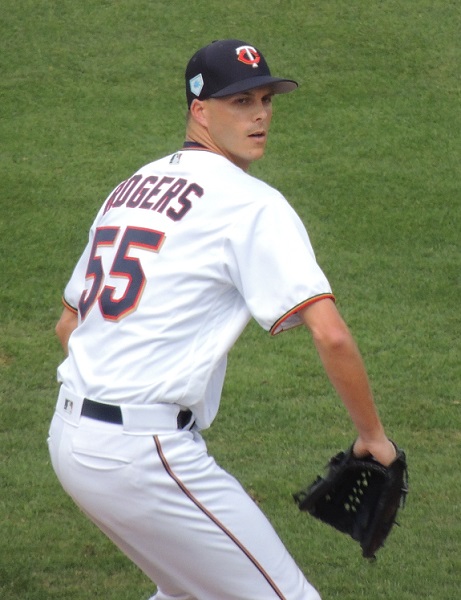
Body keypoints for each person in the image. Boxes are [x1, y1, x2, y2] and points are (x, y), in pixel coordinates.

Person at [48, 39, 397, 600]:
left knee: (188, 591)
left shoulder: (131, 187)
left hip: (71, 438)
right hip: (143, 455)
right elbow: (330, 334)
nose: (260, 115)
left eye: (266, 99)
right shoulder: (252, 203)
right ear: (200, 110)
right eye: (240, 102)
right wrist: (373, 437)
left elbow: (70, 324)